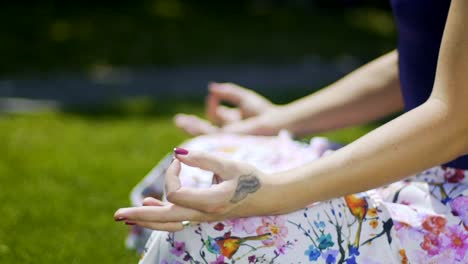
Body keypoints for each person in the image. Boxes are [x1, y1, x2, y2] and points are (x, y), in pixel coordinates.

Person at [115, 0, 468, 263]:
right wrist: (278, 121)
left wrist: (276, 192)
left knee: (215, 236)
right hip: (425, 169)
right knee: (204, 161)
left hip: (455, 196)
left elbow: (455, 122)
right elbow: (425, 52)